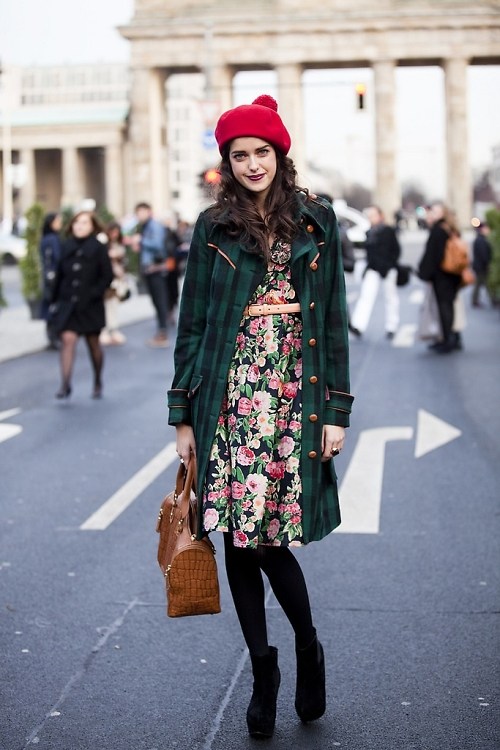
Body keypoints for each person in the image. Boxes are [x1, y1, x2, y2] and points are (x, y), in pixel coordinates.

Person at [167, 95, 354, 739]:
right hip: (228, 394)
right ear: (226, 161)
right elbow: (192, 324)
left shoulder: (317, 223)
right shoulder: (210, 229)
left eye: (261, 152)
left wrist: (335, 411)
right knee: (236, 541)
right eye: (239, 155)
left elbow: (331, 325)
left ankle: (307, 648)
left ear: (281, 155)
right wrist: (182, 414)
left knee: (269, 539)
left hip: (292, 396)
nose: (251, 164)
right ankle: (263, 669)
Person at [50, 211, 113, 398]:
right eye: (77, 222)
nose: (80, 225)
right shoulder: (66, 245)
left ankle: (97, 381)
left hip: (90, 305)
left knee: (93, 344)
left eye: (84, 222)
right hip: (68, 304)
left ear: (92, 226)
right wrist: (53, 300)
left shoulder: (99, 247)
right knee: (68, 340)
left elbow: (107, 276)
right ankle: (65, 384)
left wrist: (95, 293)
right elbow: (59, 275)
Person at [349, 205, 401, 339]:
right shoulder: (369, 232)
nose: (371, 218)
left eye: (373, 215)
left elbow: (396, 250)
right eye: (369, 216)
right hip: (373, 268)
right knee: (366, 296)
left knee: (391, 297)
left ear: (380, 215)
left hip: (388, 269)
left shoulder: (388, 230)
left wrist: (389, 265)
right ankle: (358, 325)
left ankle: (392, 326)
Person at [418, 201, 462, 353]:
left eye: (436, 211)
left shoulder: (438, 230)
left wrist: (424, 273)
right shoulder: (449, 228)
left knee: (444, 308)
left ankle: (447, 340)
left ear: (443, 213)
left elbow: (433, 255)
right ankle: (452, 338)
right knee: (448, 306)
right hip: (452, 274)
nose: (432, 214)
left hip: (442, 275)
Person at [130, 202, 169, 347]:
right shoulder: (145, 227)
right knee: (156, 301)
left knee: (160, 301)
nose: (139, 215)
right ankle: (161, 332)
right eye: (137, 213)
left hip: (156, 270)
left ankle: (162, 333)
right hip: (150, 269)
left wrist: (142, 241)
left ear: (148, 211)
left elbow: (158, 244)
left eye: (142, 212)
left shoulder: (154, 226)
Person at [100, 221, 128, 346]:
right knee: (106, 305)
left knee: (114, 305)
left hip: (117, 280)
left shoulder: (117, 244)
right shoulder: (103, 243)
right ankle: (104, 331)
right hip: (107, 279)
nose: (115, 234)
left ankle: (114, 329)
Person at [39, 212, 63, 349]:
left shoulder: (47, 238)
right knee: (55, 307)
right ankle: (54, 336)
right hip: (54, 278)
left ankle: (52, 336)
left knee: (50, 306)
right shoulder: (52, 239)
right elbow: (56, 258)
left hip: (49, 277)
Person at [471, 222, 492, 308]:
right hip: (481, 266)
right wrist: (487, 264)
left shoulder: (480, 239)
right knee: (482, 283)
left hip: (479, 266)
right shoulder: (481, 240)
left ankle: (476, 300)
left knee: (480, 284)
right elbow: (484, 255)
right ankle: (493, 299)